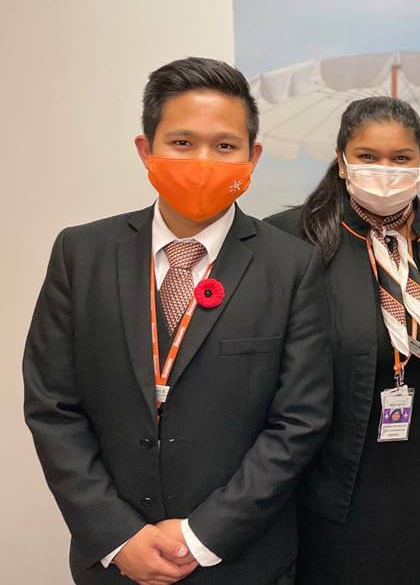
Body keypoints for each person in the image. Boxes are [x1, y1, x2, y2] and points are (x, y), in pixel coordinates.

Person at [22, 57, 333, 584]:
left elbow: (300, 420)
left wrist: (202, 535)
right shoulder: (82, 253)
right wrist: (118, 535)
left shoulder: (292, 265)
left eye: (226, 146)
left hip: (241, 560)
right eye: (182, 142)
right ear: (146, 149)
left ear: (253, 157)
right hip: (115, 562)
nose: (204, 161)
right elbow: (52, 406)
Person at [266, 97, 420, 585]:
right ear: (342, 161)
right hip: (333, 458)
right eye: (367, 156)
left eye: (401, 158)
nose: (385, 170)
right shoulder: (292, 236)